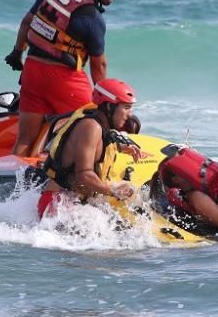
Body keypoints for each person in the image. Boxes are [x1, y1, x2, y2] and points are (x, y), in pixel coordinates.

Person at [5, 0, 126, 156]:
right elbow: (99, 65)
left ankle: (20, 184)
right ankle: (89, 175)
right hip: (64, 80)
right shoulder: (91, 18)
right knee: (92, 129)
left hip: (32, 70)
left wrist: (17, 52)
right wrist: (102, 101)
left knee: (26, 140)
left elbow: (27, 22)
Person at [36, 79, 143, 219]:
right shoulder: (91, 127)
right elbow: (84, 174)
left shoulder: (99, 125)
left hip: (74, 204)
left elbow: (96, 146)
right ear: (109, 107)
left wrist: (121, 147)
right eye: (126, 108)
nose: (130, 115)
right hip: (58, 205)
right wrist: (113, 191)